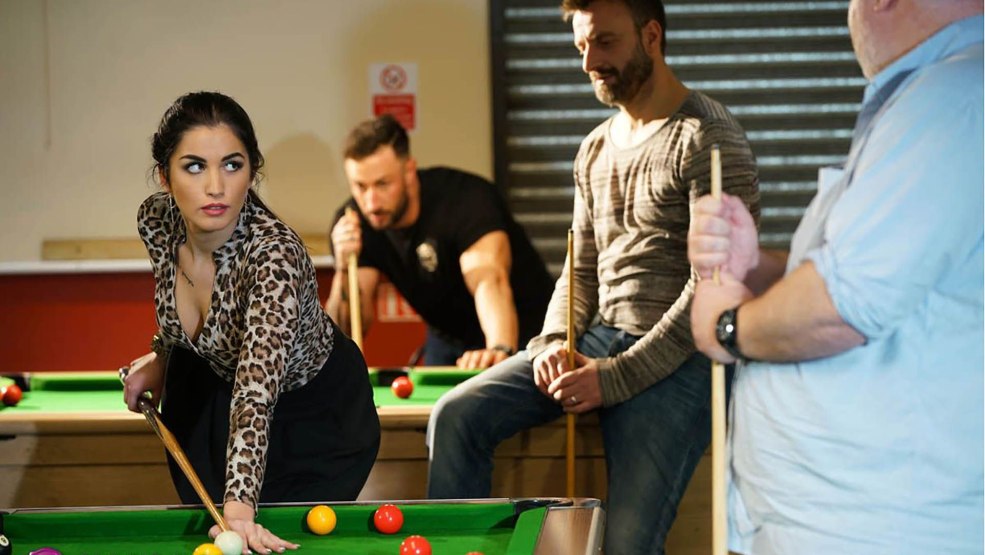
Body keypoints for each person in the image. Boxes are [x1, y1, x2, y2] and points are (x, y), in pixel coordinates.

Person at [425, 0, 760, 553]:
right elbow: (579, 268)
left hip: (684, 360)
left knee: (624, 545)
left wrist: (615, 377)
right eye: (581, 45)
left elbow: (714, 286)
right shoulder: (595, 147)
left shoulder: (709, 137)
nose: (589, 62)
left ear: (651, 36)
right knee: (455, 415)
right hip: (600, 337)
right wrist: (554, 341)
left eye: (605, 42)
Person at [687, 1, 984, 553]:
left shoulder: (954, 97)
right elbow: (882, 280)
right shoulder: (942, 94)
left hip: (878, 529)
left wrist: (726, 326)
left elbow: (840, 308)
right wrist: (755, 267)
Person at [122, 91, 381, 553]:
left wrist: (240, 511)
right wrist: (162, 357)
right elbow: (178, 308)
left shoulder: (273, 257)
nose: (216, 186)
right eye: (194, 166)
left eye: (232, 165)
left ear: (252, 171)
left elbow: (255, 392)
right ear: (165, 175)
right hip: (213, 395)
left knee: (265, 540)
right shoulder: (157, 220)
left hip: (314, 417)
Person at [325, 114, 554, 369]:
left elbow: (489, 280)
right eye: (360, 186)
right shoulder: (353, 223)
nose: (371, 202)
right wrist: (343, 269)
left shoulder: (465, 200)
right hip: (447, 336)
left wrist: (499, 348)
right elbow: (347, 331)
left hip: (526, 330)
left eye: (383, 184)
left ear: (409, 171)